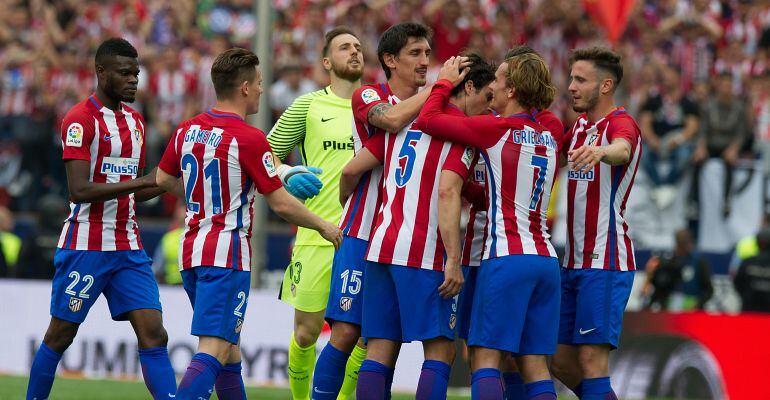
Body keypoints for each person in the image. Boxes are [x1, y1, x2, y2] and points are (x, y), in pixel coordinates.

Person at [156, 47, 342, 400]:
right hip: (226, 254)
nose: (261, 89)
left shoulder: (187, 130)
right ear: (243, 88)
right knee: (214, 347)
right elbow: (283, 204)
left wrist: (205, 196)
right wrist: (324, 226)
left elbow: (164, 179)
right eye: (258, 83)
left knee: (230, 349)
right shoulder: (249, 138)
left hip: (192, 249)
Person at [26, 38, 176, 400]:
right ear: (101, 72)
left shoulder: (137, 123)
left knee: (154, 333)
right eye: (125, 73)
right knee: (61, 335)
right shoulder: (79, 120)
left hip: (128, 245)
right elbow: (78, 190)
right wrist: (145, 179)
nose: (133, 80)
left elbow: (131, 192)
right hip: (85, 244)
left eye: (136, 74)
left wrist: (167, 183)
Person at [343, 51, 489, 400]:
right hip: (422, 252)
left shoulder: (406, 116)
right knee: (441, 351)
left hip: (380, 246)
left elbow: (352, 168)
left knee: (379, 348)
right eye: (486, 98)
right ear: (467, 87)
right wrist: (454, 259)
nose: (488, 108)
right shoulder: (461, 131)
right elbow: (447, 192)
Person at [417, 52, 561, 400]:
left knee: (484, 358)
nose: (492, 86)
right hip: (545, 259)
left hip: (506, 257)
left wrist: (444, 83)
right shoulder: (550, 137)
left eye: (497, 79)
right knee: (535, 365)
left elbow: (428, 119)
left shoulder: (496, 130)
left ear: (511, 90)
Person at [314, 22, 441, 400]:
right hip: (363, 231)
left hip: (404, 238)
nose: (424, 62)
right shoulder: (369, 94)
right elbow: (390, 120)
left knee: (387, 339)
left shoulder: (434, 106)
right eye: (415, 53)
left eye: (427, 54)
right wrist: (436, 90)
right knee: (347, 332)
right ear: (390, 59)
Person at [267, 27, 366, 400]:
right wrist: (285, 172)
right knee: (306, 333)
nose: (354, 52)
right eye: (344, 47)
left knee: (360, 335)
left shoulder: (378, 106)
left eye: (358, 47)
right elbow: (267, 152)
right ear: (327, 62)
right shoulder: (308, 105)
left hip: (362, 236)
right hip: (316, 235)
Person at [550, 47, 642, 400]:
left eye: (580, 80)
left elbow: (623, 148)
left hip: (605, 260)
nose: (571, 86)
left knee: (591, 360)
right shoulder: (579, 129)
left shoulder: (620, 123)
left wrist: (603, 152)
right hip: (572, 263)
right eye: (571, 77)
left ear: (605, 86)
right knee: (557, 359)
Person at [639, 65, 699, 209]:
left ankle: (666, 185)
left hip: (677, 142)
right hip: (657, 142)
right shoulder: (654, 100)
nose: (666, 78)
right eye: (664, 75)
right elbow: (644, 122)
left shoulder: (687, 101)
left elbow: (692, 126)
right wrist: (652, 139)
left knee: (685, 154)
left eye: (670, 75)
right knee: (643, 153)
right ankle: (662, 187)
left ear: (678, 78)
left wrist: (677, 140)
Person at [734, 228, 770, 312]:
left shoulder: (747, 262)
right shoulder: (747, 262)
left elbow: (737, 283)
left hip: (749, 309)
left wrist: (747, 295)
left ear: (757, 243)